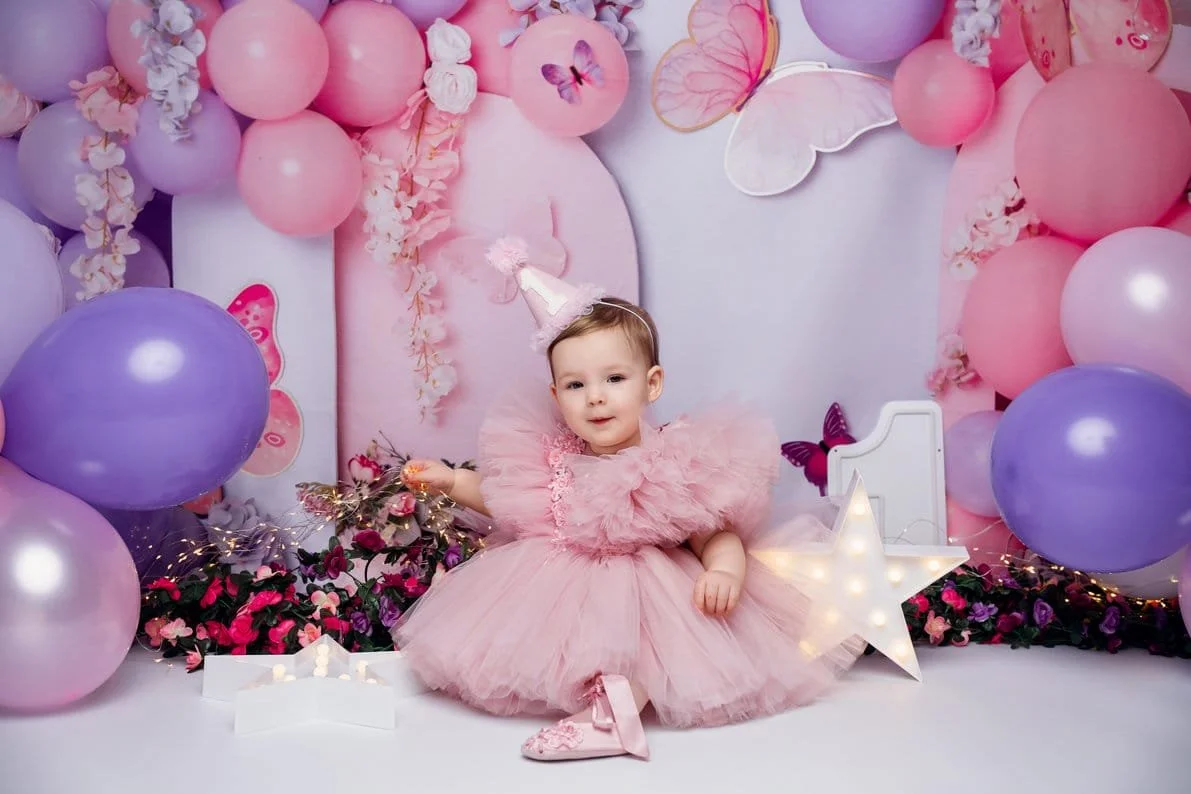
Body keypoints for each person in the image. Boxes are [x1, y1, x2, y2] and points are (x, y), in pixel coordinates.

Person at [397, 237, 862, 761]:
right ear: (556, 395)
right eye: (575, 384)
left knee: (643, 636)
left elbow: (714, 530)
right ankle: (595, 699)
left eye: (615, 379)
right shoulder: (550, 456)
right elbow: (504, 498)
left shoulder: (673, 460)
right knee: (565, 634)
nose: (595, 396)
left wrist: (725, 572)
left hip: (653, 588)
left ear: (652, 383)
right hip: (558, 579)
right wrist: (451, 481)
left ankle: (614, 718)